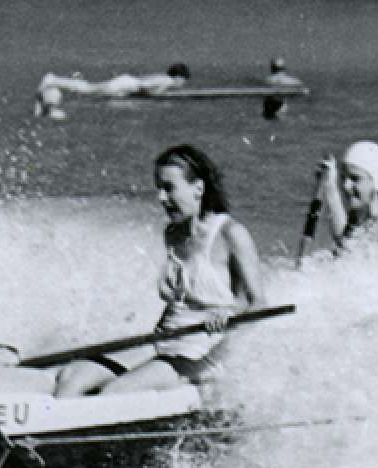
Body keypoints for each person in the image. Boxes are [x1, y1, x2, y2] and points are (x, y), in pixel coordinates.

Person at [54, 144, 267, 396]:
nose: (161, 198)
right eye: (159, 189)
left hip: (202, 352)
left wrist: (228, 318)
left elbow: (259, 304)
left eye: (169, 188)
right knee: (71, 376)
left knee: (117, 391)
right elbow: (181, 301)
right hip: (163, 341)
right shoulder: (173, 233)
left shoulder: (231, 233)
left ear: (198, 188)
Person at [310, 140, 378, 252]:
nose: (346, 185)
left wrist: (330, 190)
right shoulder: (360, 217)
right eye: (343, 177)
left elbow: (349, 251)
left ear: (377, 182)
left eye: (355, 179)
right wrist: (329, 185)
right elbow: (343, 239)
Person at [38, 63, 190, 100]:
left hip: (126, 82)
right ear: (178, 77)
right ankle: (53, 80)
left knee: (89, 88)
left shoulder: (163, 78)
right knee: (88, 89)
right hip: (126, 85)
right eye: (183, 81)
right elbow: (143, 86)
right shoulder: (168, 82)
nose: (183, 84)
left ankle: (55, 81)